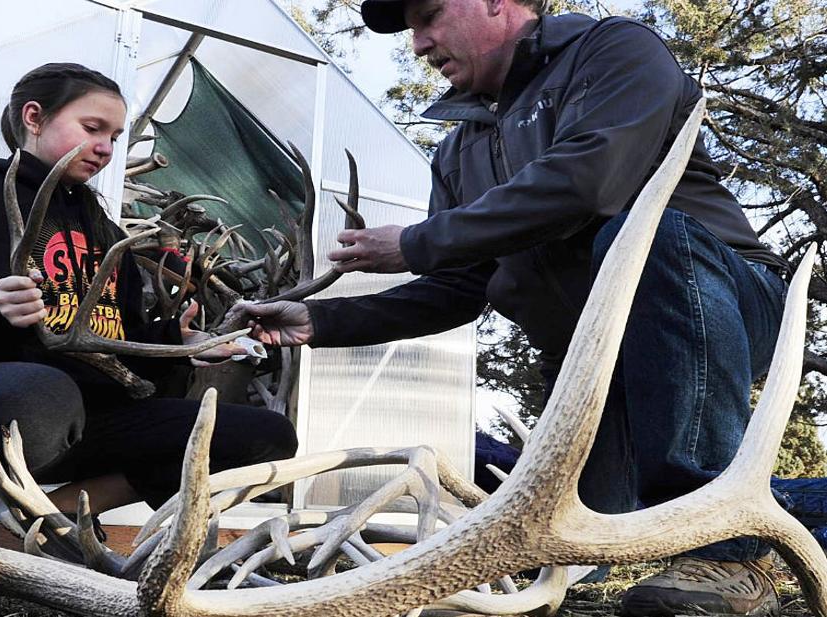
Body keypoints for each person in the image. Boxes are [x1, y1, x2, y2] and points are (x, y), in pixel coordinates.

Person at [238, 1, 790, 615]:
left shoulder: (616, 51)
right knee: (575, 551)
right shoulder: (457, 151)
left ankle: (726, 555)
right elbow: (460, 286)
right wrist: (322, 321)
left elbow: (591, 182)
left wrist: (418, 241)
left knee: (642, 236)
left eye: (429, 16)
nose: (419, 44)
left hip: (719, 299)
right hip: (592, 355)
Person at [0, 62, 298, 541]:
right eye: (92, 128)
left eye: (115, 136)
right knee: (38, 392)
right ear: (33, 118)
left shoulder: (103, 230)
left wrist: (175, 344)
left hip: (85, 416)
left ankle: (49, 516)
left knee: (265, 435)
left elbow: (118, 339)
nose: (105, 148)